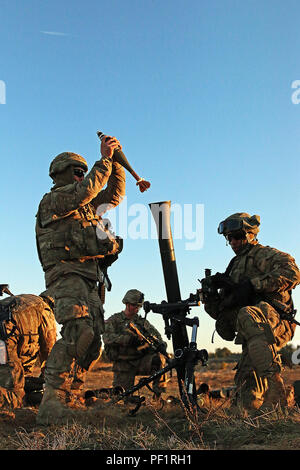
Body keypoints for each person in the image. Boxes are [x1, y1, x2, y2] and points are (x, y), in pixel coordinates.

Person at [35, 135, 126, 424]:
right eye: (76, 170)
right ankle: (51, 400)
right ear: (60, 173)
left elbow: (113, 196)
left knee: (93, 343)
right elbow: (87, 190)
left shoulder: (85, 206)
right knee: (78, 334)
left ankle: (71, 397)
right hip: (65, 274)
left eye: (82, 170)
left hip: (90, 279)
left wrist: (117, 163)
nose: (81, 173)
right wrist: (104, 160)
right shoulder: (56, 199)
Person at [202, 212, 300, 411]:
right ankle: (287, 401)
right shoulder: (234, 265)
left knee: (248, 313)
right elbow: (222, 314)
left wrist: (254, 284)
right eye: (228, 238)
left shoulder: (266, 254)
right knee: (244, 404)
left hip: (275, 321)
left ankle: (277, 386)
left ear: (250, 234)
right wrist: (212, 295)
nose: (233, 242)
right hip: (252, 335)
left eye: (237, 236)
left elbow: (293, 273)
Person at [103, 289, 168, 401]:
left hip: (140, 361)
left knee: (159, 359)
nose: (137, 309)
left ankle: (158, 397)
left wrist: (161, 345)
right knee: (122, 397)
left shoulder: (142, 323)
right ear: (127, 304)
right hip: (123, 363)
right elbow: (107, 338)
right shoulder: (115, 320)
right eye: (134, 305)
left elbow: (157, 337)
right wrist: (127, 340)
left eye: (139, 306)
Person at [0, 291, 56, 408]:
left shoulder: (25, 301)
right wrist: (49, 382)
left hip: (5, 338)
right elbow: (49, 352)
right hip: (5, 338)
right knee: (15, 396)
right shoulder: (44, 309)